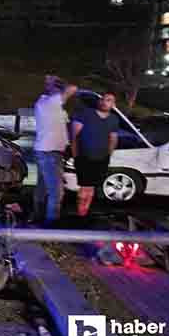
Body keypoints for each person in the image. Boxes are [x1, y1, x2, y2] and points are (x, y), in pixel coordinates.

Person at [33, 75, 78, 225]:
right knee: (56, 191)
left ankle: (37, 218)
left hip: (47, 151)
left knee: (43, 188)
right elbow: (72, 88)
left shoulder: (53, 106)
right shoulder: (49, 102)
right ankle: (51, 224)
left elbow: (65, 127)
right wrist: (57, 82)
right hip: (49, 152)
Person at [71, 92, 119, 217]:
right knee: (84, 186)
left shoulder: (113, 119)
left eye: (108, 100)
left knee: (92, 187)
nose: (104, 101)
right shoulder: (86, 114)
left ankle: (85, 212)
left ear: (113, 104)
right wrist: (76, 155)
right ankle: (80, 212)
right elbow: (74, 136)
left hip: (102, 158)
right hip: (84, 157)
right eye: (102, 99)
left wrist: (108, 155)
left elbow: (113, 138)